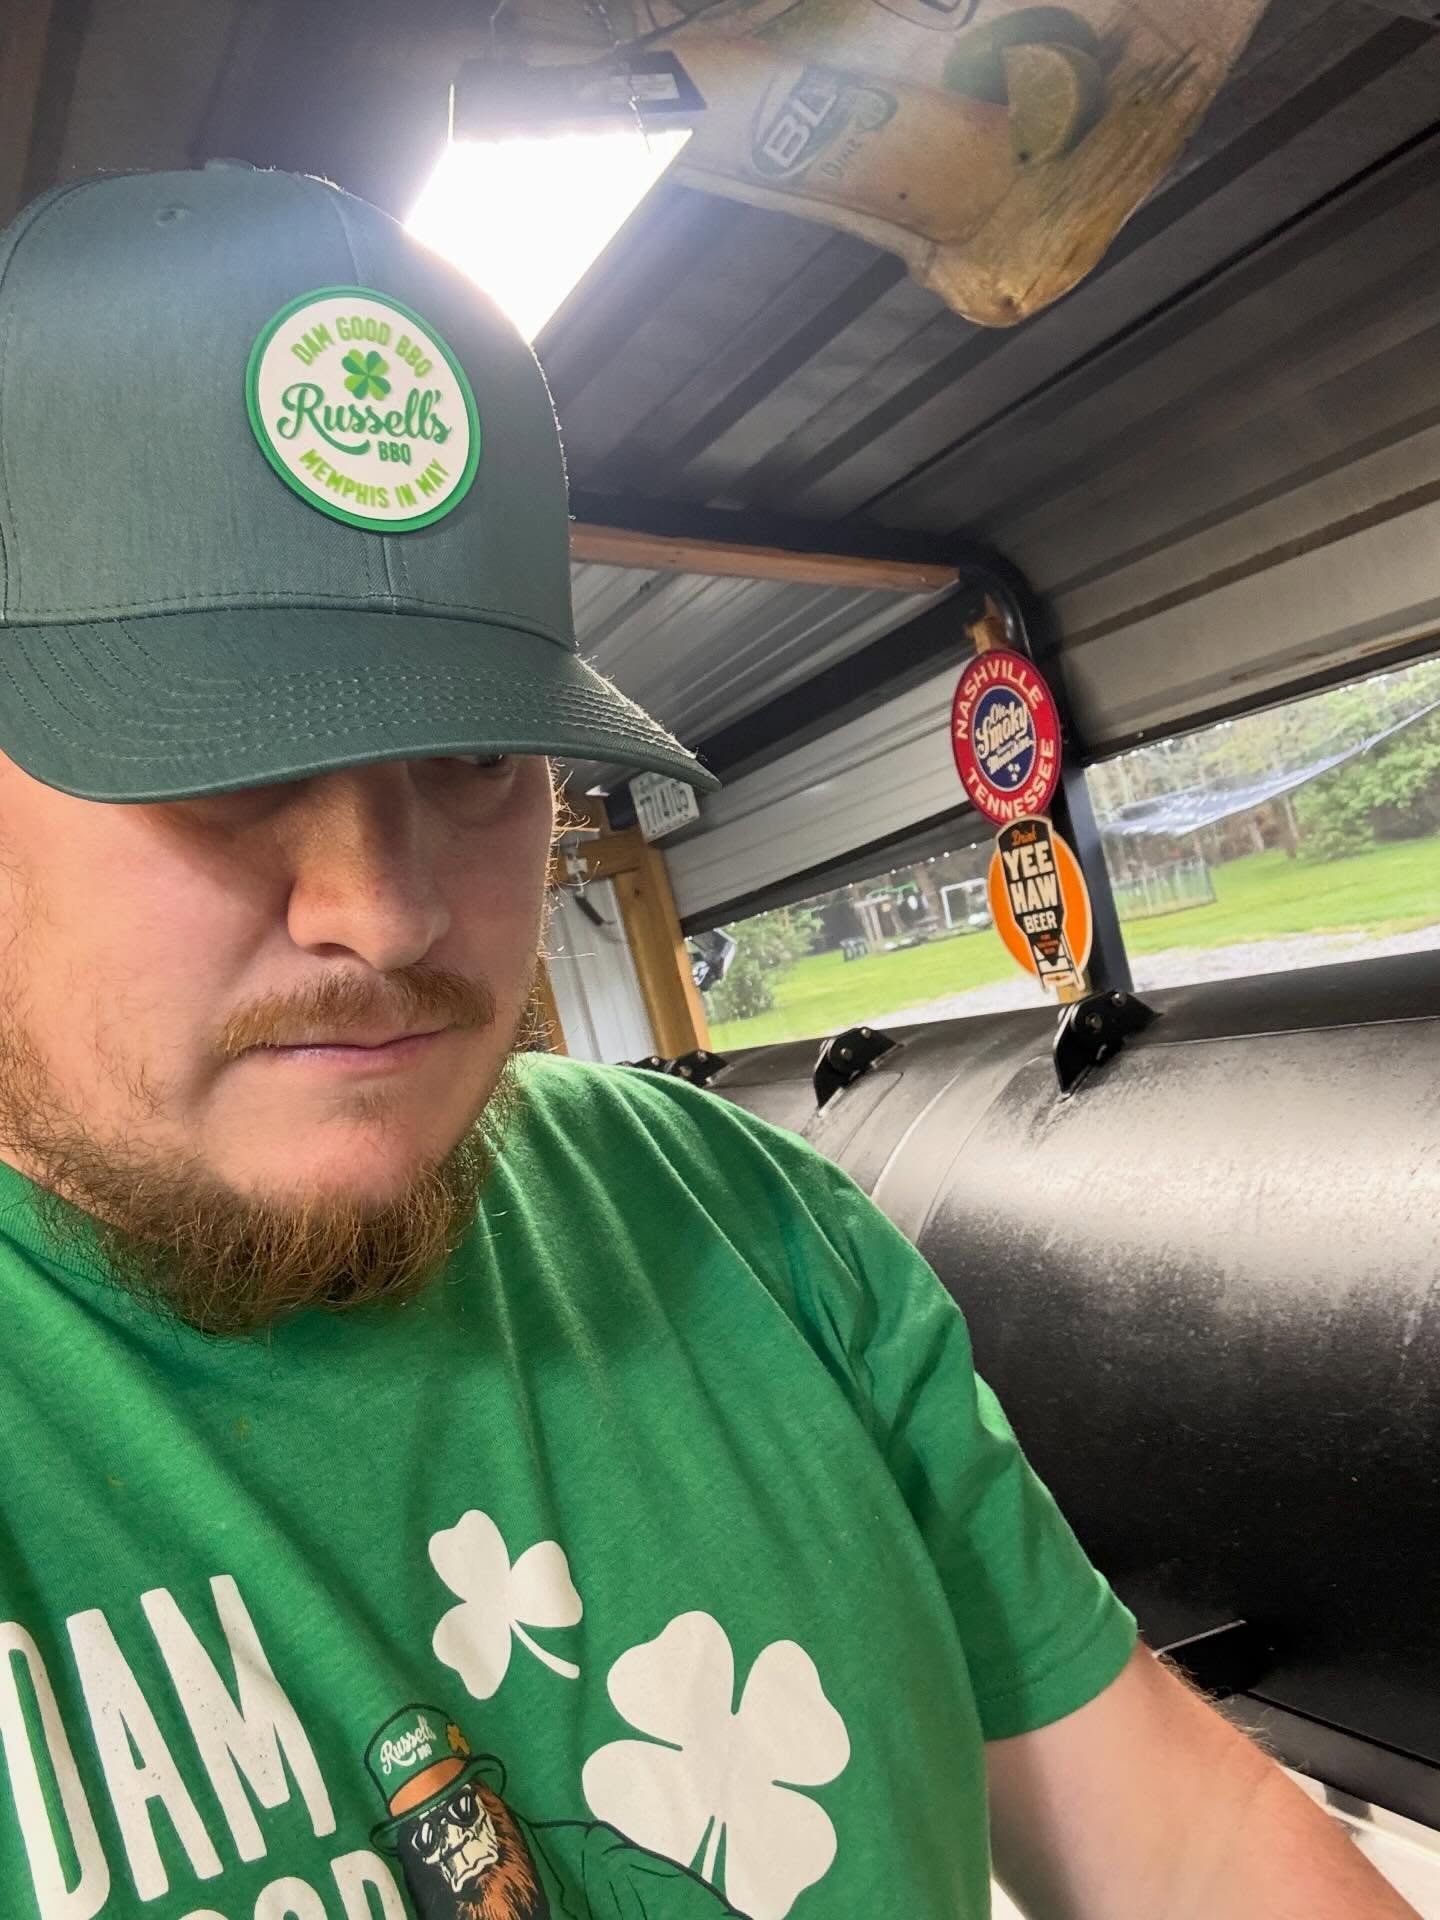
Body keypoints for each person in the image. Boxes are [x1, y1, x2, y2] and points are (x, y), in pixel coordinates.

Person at [0, 163, 1414, 1920]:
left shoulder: (750, 1224)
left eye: (472, 757)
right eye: (217, 754)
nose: (389, 907)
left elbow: (1182, 1847)